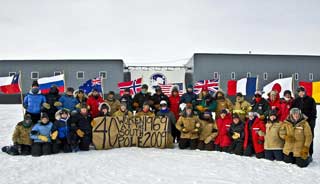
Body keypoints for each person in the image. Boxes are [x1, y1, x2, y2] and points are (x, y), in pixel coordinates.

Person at [291, 86, 317, 158]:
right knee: (299, 136)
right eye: (299, 92)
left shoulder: (311, 100)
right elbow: (292, 110)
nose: (301, 93)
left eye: (302, 91)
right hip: (298, 121)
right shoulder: (296, 100)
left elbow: (314, 111)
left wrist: (309, 118)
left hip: (309, 120)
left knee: (309, 136)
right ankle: (298, 151)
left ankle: (310, 153)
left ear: (305, 92)